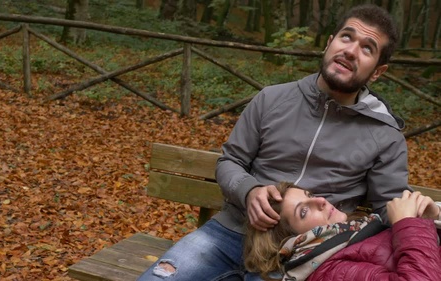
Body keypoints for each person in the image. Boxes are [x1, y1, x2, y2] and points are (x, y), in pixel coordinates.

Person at [138, 4, 409, 280]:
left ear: (377, 71)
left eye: (367, 48)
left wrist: (421, 216)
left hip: (308, 255)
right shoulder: (272, 98)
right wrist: (249, 191)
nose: (350, 51)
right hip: (232, 232)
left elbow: (391, 207)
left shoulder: (385, 134)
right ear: (329, 43)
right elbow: (230, 162)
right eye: (346, 37)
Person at [243, 182, 441, 281]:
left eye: (310, 194)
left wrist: (429, 221)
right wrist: (408, 224)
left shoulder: (352, 233)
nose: (320, 200)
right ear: (293, 239)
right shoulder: (329, 272)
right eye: (303, 211)